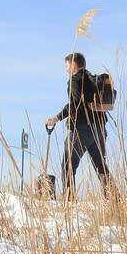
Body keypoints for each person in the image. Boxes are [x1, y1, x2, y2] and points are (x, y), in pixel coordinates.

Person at [45, 52, 114, 201]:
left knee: (68, 166)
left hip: (81, 130)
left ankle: (70, 201)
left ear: (74, 64)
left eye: (67, 65)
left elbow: (74, 105)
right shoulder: (93, 80)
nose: (66, 69)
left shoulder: (75, 80)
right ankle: (115, 200)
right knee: (101, 167)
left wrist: (57, 118)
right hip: (99, 130)